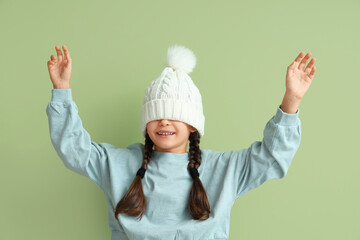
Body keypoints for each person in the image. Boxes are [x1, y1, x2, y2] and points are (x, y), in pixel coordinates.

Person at [46, 45, 316, 240]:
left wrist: (291, 100)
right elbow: (74, 149)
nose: (164, 122)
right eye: (157, 116)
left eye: (174, 116)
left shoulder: (224, 169)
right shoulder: (118, 163)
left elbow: (272, 158)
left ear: (192, 125)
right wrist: (61, 91)